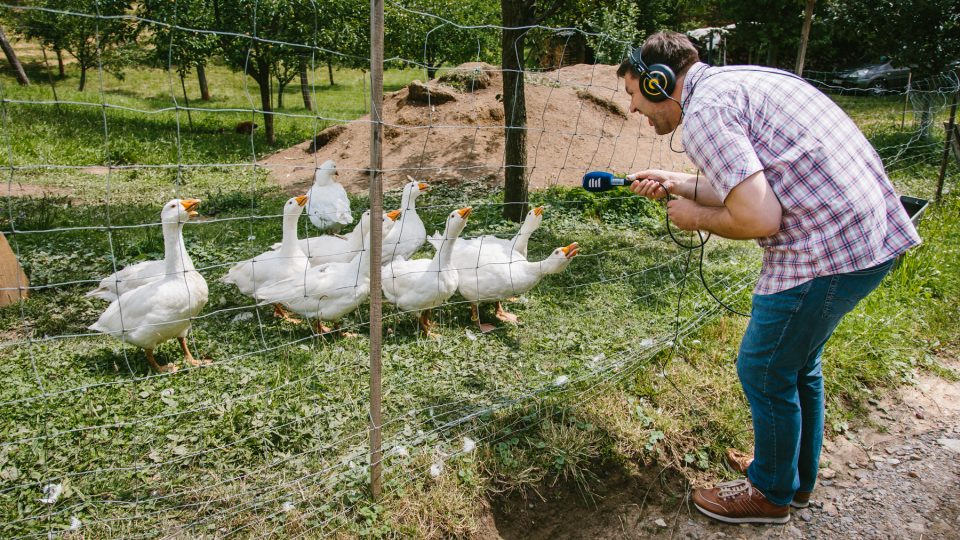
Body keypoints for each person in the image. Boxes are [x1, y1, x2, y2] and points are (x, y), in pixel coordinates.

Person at [618, 31, 921, 524]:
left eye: (633, 93)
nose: (634, 108)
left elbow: (759, 218)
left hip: (825, 251)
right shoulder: (735, 83)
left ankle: (769, 493)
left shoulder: (704, 117)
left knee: (763, 367)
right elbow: (751, 182)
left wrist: (695, 217)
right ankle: (791, 479)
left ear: (658, 83)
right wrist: (679, 182)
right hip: (866, 237)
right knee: (797, 365)